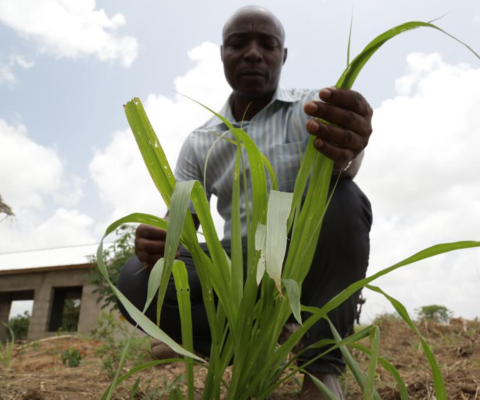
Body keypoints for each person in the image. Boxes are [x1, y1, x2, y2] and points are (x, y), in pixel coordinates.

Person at [117, 6, 374, 399]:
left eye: (267, 44)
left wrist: (347, 151)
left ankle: (322, 369)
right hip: (233, 269)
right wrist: (160, 240)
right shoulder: (200, 141)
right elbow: (179, 225)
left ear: (282, 56)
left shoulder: (313, 110)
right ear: (222, 54)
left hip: (300, 259)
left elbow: (345, 165)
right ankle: (234, 341)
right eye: (238, 43)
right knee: (137, 275)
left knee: (342, 197)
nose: (253, 53)